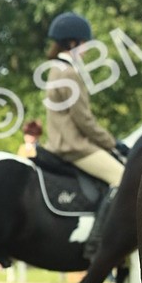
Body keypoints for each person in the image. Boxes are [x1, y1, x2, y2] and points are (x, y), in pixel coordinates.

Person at [41, 12, 125, 188]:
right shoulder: (69, 73)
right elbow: (84, 120)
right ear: (72, 43)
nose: (86, 49)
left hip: (57, 144)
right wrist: (112, 143)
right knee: (123, 179)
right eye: (84, 43)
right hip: (74, 148)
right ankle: (105, 217)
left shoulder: (55, 69)